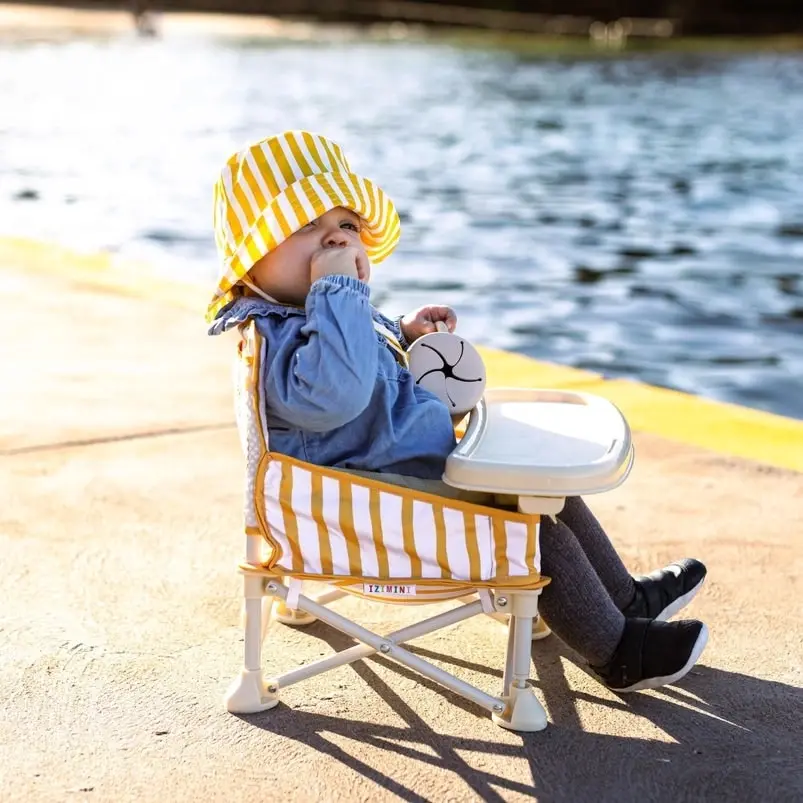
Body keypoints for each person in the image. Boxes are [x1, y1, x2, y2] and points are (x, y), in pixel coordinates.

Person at [207, 130, 708, 693]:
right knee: (531, 530)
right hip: (365, 508)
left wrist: (403, 333)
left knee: (549, 488)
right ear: (252, 265)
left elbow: (356, 364)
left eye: (347, 226)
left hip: (399, 473)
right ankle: (616, 651)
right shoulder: (280, 336)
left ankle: (621, 599)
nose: (336, 242)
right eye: (306, 229)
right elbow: (335, 396)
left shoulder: (314, 315)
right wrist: (339, 292)